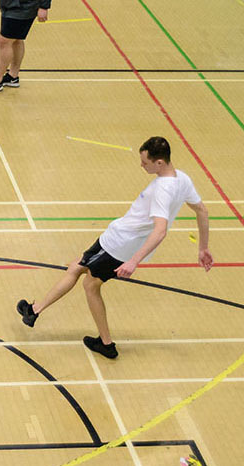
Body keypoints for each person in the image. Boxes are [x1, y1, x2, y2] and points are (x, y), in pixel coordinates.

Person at [16, 137, 214, 359]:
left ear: (159, 162)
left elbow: (160, 231)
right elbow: (202, 211)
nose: (142, 165)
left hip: (120, 244)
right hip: (118, 238)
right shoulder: (182, 179)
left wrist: (133, 261)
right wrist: (203, 248)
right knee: (77, 266)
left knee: (90, 285)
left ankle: (106, 343)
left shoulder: (163, 189)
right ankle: (34, 311)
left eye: (145, 162)